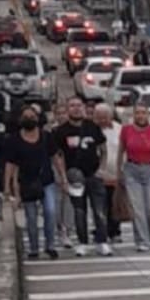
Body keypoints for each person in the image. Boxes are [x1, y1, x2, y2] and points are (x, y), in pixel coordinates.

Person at [55, 96, 111, 257]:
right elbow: (59, 156)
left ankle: (102, 241)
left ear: (84, 108)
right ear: (67, 109)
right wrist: (63, 178)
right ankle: (82, 242)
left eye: (79, 105)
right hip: (74, 176)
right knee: (79, 210)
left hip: (94, 174)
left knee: (99, 210)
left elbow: (103, 149)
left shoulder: (92, 127)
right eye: (72, 105)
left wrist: (102, 168)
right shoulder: (61, 131)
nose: (76, 108)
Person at [3, 105, 61, 260]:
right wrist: (7, 186)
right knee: (31, 217)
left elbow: (56, 158)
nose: (29, 119)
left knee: (50, 211)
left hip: (46, 180)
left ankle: (50, 245)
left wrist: (63, 178)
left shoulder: (46, 137)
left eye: (32, 116)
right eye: (26, 117)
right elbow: (10, 164)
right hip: (27, 183)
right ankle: (34, 248)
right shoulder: (14, 140)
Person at [119, 102, 150, 252]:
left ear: (148, 115)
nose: (140, 116)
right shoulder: (126, 130)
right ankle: (142, 240)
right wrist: (119, 171)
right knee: (137, 208)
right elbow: (121, 150)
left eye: (143, 113)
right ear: (133, 115)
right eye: (137, 113)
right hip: (132, 169)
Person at [94, 104, 123, 243]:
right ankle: (101, 231)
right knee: (100, 205)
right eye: (99, 118)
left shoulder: (119, 129)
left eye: (104, 117)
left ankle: (115, 231)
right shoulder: (92, 130)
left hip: (116, 171)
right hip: (98, 172)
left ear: (110, 116)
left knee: (114, 203)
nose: (102, 120)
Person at [49, 102, 76, 248]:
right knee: (57, 203)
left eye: (63, 113)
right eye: (58, 113)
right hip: (57, 171)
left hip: (73, 170)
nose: (61, 116)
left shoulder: (76, 130)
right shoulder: (52, 133)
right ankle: (60, 229)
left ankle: (67, 231)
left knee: (70, 203)